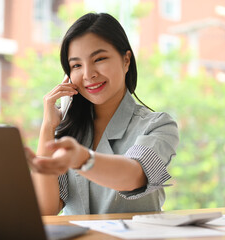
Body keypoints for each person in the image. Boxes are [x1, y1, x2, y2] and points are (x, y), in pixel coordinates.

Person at [25, 12, 179, 216]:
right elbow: (46, 210)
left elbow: (133, 175)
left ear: (126, 61)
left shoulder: (158, 125)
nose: (88, 74)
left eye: (99, 59)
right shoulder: (68, 132)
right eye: (77, 65)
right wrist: (48, 127)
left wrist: (82, 159)